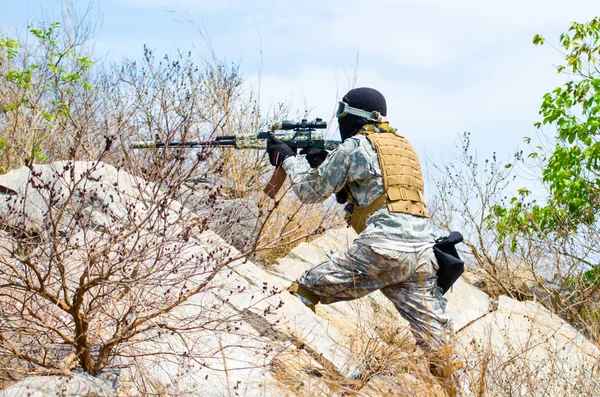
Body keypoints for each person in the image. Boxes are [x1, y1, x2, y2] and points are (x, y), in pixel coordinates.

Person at [267, 87, 458, 387]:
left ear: (350, 116)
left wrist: (289, 159)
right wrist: (326, 163)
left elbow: (308, 191)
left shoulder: (354, 146)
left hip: (381, 249)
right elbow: (376, 192)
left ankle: (279, 357)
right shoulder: (404, 147)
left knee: (303, 290)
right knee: (440, 349)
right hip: (422, 256)